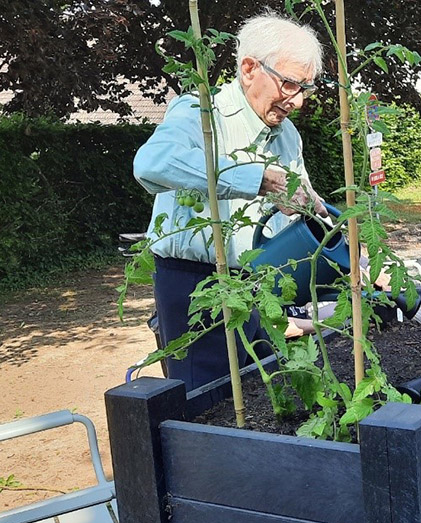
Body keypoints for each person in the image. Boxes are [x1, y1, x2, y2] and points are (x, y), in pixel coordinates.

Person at [133, 14, 325, 392]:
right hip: (195, 285)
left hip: (259, 283)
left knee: (265, 392)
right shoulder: (202, 113)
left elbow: (298, 206)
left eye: (306, 88)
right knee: (209, 402)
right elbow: (151, 164)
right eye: (289, 84)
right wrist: (257, 179)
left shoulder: (287, 136)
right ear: (250, 68)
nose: (298, 101)